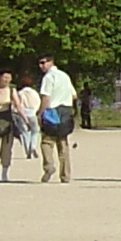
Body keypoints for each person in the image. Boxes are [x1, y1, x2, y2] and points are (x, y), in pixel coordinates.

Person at [36, 54, 76, 182]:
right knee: (63, 143)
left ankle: (49, 166)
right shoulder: (65, 76)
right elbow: (74, 95)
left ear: (51, 62)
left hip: (52, 110)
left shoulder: (48, 77)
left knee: (47, 142)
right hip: (66, 110)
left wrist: (40, 112)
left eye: (43, 63)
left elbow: (46, 97)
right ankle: (65, 175)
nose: (41, 66)